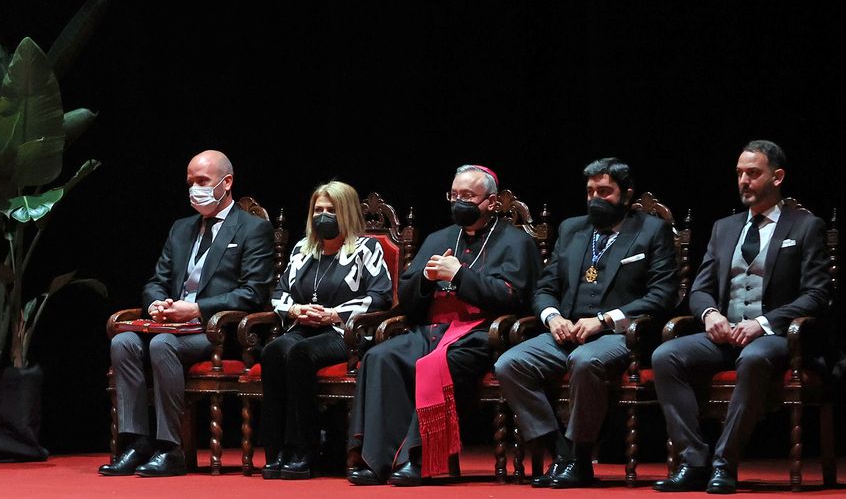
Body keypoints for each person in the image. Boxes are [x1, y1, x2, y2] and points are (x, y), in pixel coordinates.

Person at [651, 140, 832, 494]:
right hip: (724, 334)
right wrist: (709, 314)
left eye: (753, 173)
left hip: (776, 338)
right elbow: (699, 288)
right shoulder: (724, 227)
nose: (744, 181)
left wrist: (762, 324)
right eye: (739, 174)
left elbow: (817, 294)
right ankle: (695, 460)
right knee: (665, 356)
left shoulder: (805, 226)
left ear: (777, 177)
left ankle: (724, 464)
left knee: (752, 357)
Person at [347, 165, 540, 487]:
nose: (458, 202)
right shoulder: (439, 238)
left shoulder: (517, 242)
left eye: (468, 196)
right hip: (432, 330)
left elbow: (515, 297)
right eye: (454, 195)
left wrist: (460, 275)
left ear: (491, 202)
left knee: (441, 364)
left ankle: (419, 459)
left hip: (482, 333)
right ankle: (377, 459)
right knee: (381, 357)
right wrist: (425, 278)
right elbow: (407, 300)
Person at [494, 157, 679, 488]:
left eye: (605, 191)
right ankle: (562, 453)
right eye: (591, 191)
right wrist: (553, 318)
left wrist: (603, 321)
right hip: (566, 331)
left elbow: (662, 296)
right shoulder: (572, 228)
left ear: (627, 194)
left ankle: (580, 457)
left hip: (620, 335)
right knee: (510, 364)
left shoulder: (652, 231)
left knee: (585, 361)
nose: (596, 198)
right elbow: (546, 288)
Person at [100, 150, 277, 477]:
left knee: (161, 345)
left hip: (216, 333)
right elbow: (157, 281)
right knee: (123, 342)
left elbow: (253, 293)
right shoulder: (181, 229)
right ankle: (135, 443)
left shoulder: (252, 229)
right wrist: (156, 304)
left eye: (203, 181)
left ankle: (171, 448)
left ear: (227, 183)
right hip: (171, 326)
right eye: (190, 182)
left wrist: (195, 308)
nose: (195, 189)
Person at [260, 180, 394, 480]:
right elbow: (279, 293)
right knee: (272, 352)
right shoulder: (303, 249)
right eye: (318, 209)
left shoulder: (366, 249)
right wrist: (296, 310)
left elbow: (380, 297)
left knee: (299, 354)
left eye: (331, 210)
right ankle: (277, 449)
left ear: (345, 212)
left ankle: (305, 449)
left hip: (344, 334)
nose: (323, 216)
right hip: (304, 326)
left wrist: (334, 315)